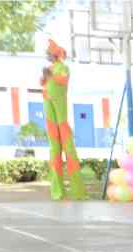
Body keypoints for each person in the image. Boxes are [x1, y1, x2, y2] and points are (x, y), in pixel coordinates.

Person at [40, 40, 87, 201]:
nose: (46, 55)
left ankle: (77, 191)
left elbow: (63, 80)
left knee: (67, 147)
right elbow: (43, 83)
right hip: (48, 104)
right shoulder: (51, 69)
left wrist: (50, 75)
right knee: (54, 149)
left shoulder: (63, 67)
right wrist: (45, 76)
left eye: (48, 53)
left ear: (55, 54)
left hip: (60, 110)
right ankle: (57, 191)